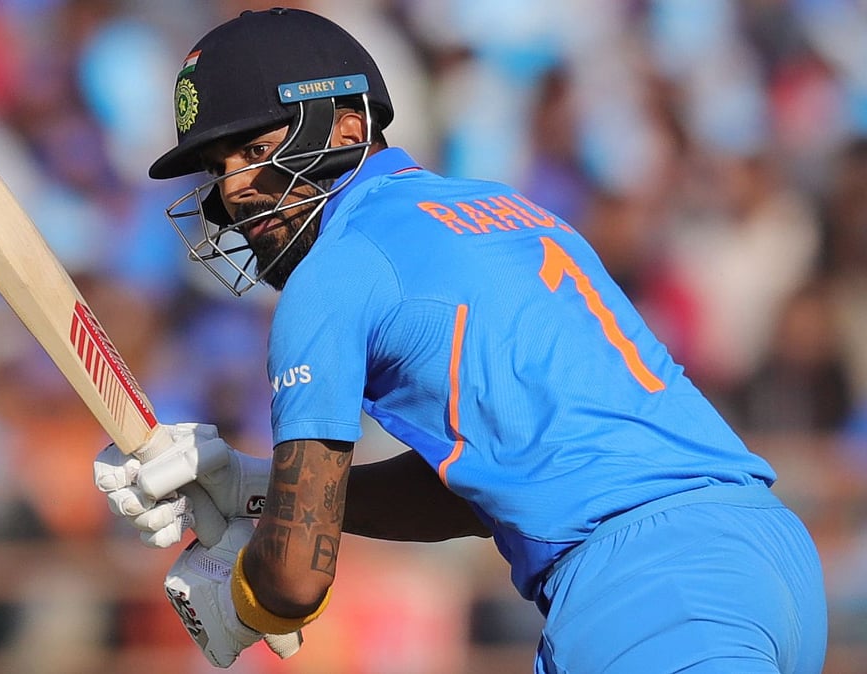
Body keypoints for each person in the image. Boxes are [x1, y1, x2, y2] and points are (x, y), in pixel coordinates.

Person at [93, 7, 829, 672]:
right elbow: (481, 492)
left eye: (253, 149)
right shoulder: (504, 208)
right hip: (767, 557)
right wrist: (255, 487)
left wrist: (241, 593)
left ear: (346, 126)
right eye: (218, 167)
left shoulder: (334, 269)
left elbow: (293, 581)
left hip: (642, 594)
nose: (234, 189)